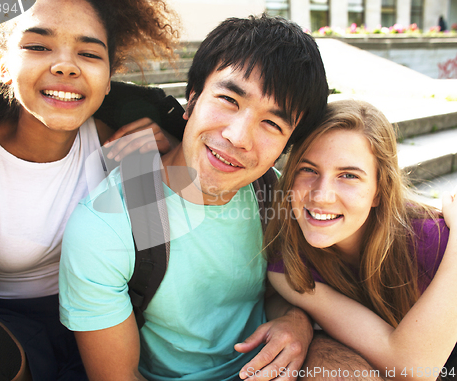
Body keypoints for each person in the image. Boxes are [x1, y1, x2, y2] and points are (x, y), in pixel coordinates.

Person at [59, 15, 384, 381]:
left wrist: (297, 321)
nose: (238, 136)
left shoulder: (271, 193)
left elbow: (276, 287)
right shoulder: (110, 225)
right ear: (192, 98)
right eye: (228, 99)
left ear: (286, 146)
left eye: (272, 124)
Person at [0, 0, 181, 379]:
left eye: (89, 53)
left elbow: (165, 259)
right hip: (8, 334)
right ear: (4, 68)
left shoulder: (127, 145)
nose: (65, 65)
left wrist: (175, 151)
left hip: (108, 318)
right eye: (38, 47)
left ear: (109, 79)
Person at [266, 99, 457, 380]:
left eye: (348, 175)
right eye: (308, 170)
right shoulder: (291, 265)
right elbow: (409, 365)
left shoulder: (437, 241)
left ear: (379, 191)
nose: (321, 195)